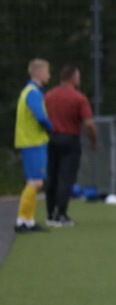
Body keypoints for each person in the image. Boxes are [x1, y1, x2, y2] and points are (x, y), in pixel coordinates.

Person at [44, 65, 98, 227]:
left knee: (52, 176)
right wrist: (93, 140)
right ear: (74, 78)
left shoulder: (49, 95)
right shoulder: (78, 98)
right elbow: (89, 124)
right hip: (70, 139)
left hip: (51, 138)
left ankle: (50, 214)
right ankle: (62, 214)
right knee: (66, 178)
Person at [13, 58, 54, 232]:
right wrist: (51, 127)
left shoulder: (29, 91)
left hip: (30, 141)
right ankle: (21, 221)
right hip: (33, 142)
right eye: (46, 72)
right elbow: (41, 117)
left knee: (35, 181)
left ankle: (28, 221)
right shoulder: (33, 92)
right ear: (38, 73)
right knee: (35, 182)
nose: (49, 75)